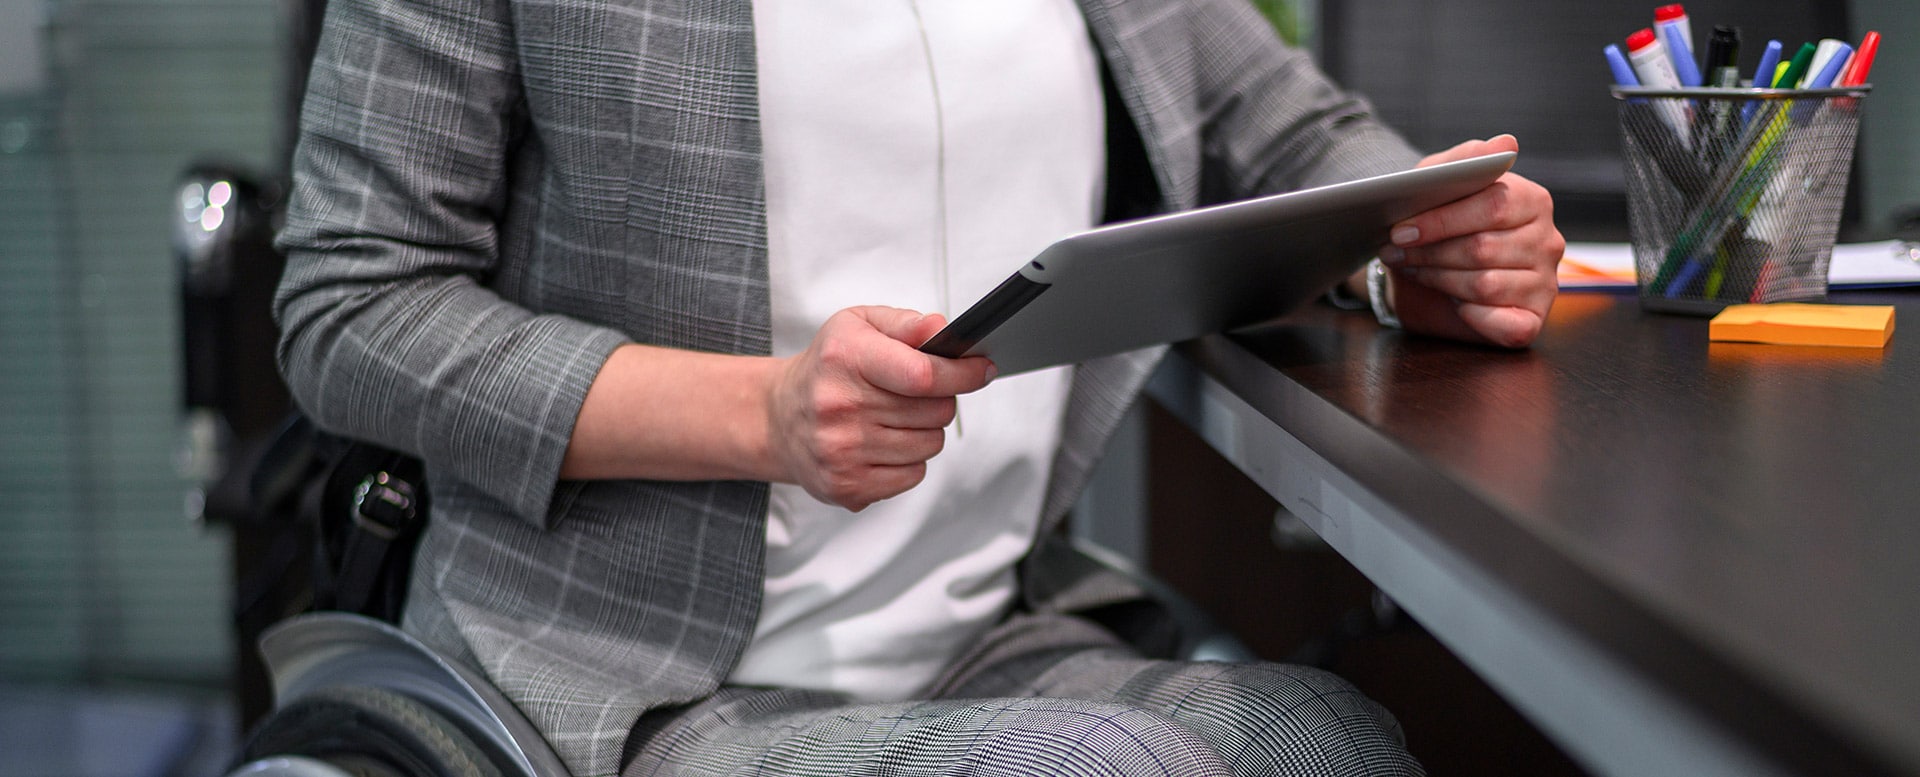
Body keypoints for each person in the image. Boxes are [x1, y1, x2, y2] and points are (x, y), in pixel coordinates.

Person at [273, 0, 1562, 774]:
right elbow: (352, 305)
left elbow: (1297, 135)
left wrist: (1426, 249)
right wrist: (764, 415)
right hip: (623, 678)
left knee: (1324, 744)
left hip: (984, 631)